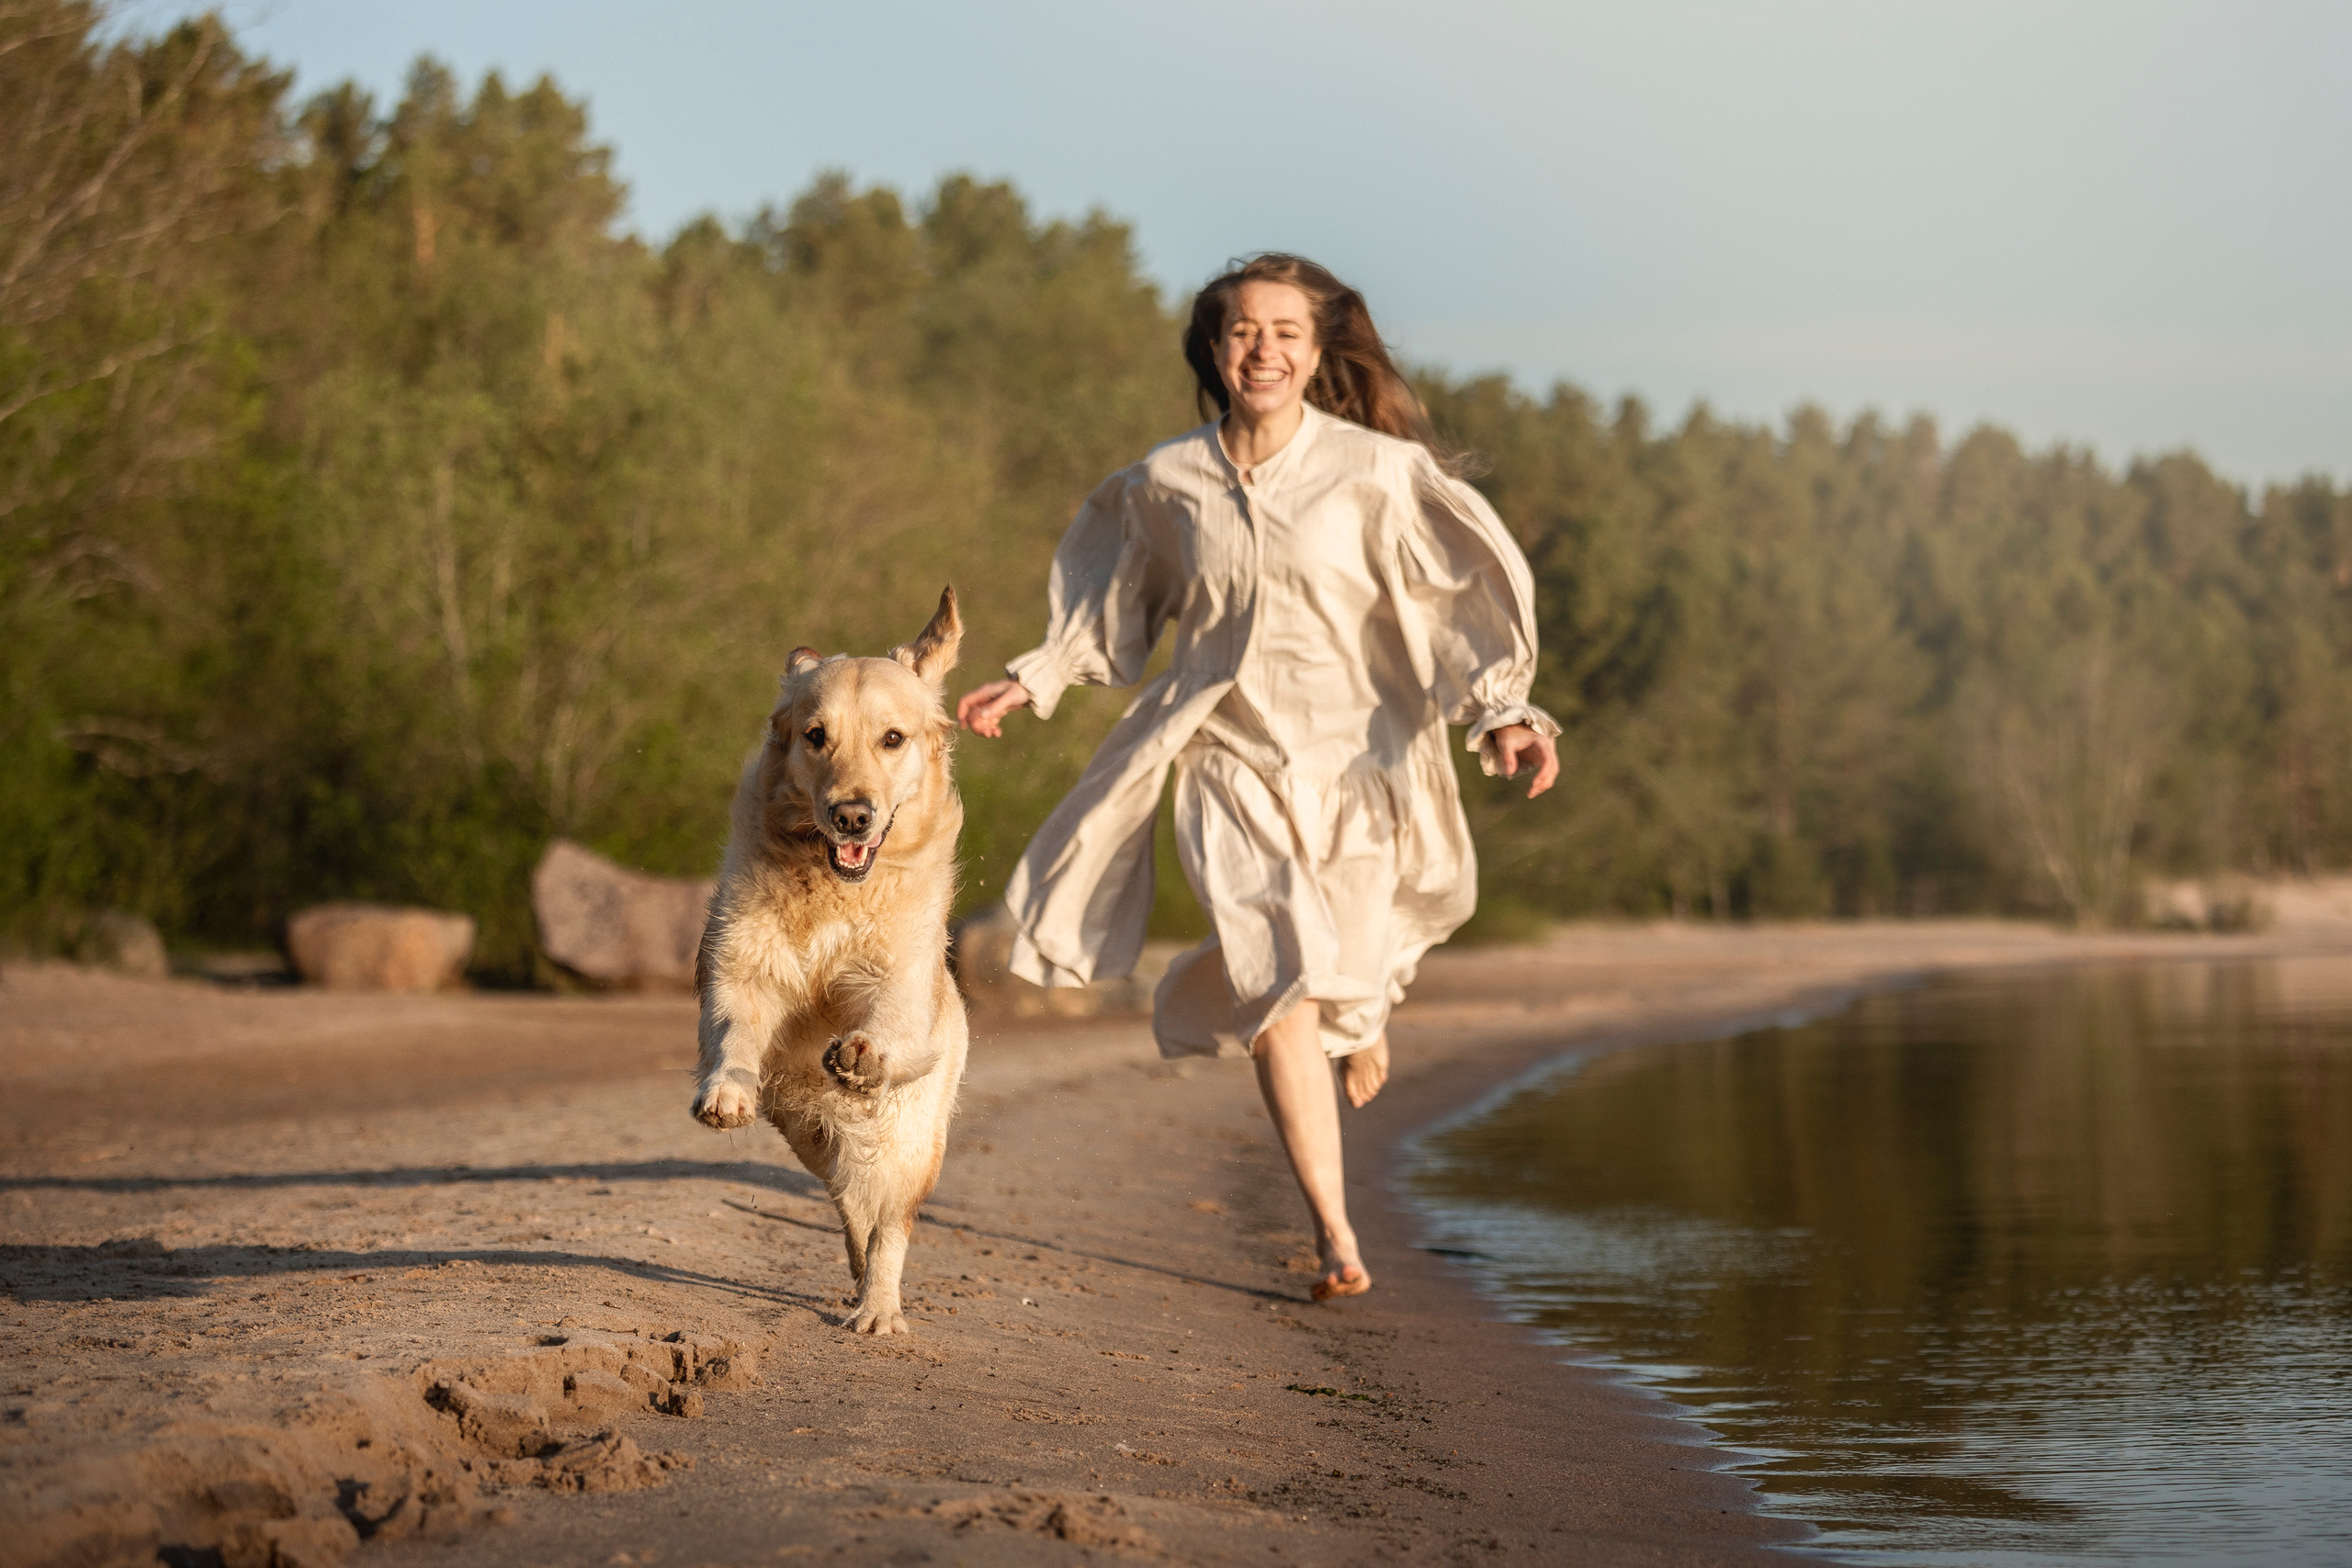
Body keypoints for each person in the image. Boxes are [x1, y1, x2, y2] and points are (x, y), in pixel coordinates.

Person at [957, 254, 1558, 1302]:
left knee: (1343, 966)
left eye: (1285, 331)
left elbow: (1456, 598)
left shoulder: (1375, 473)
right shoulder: (1167, 480)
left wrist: (1502, 707)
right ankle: (1336, 1234)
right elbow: (1117, 602)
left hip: (1363, 756)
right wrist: (1040, 677)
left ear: (1319, 353)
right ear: (1212, 348)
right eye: (1241, 330)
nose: (1262, 349)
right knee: (1279, 976)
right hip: (1226, 758)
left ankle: (1361, 1017)